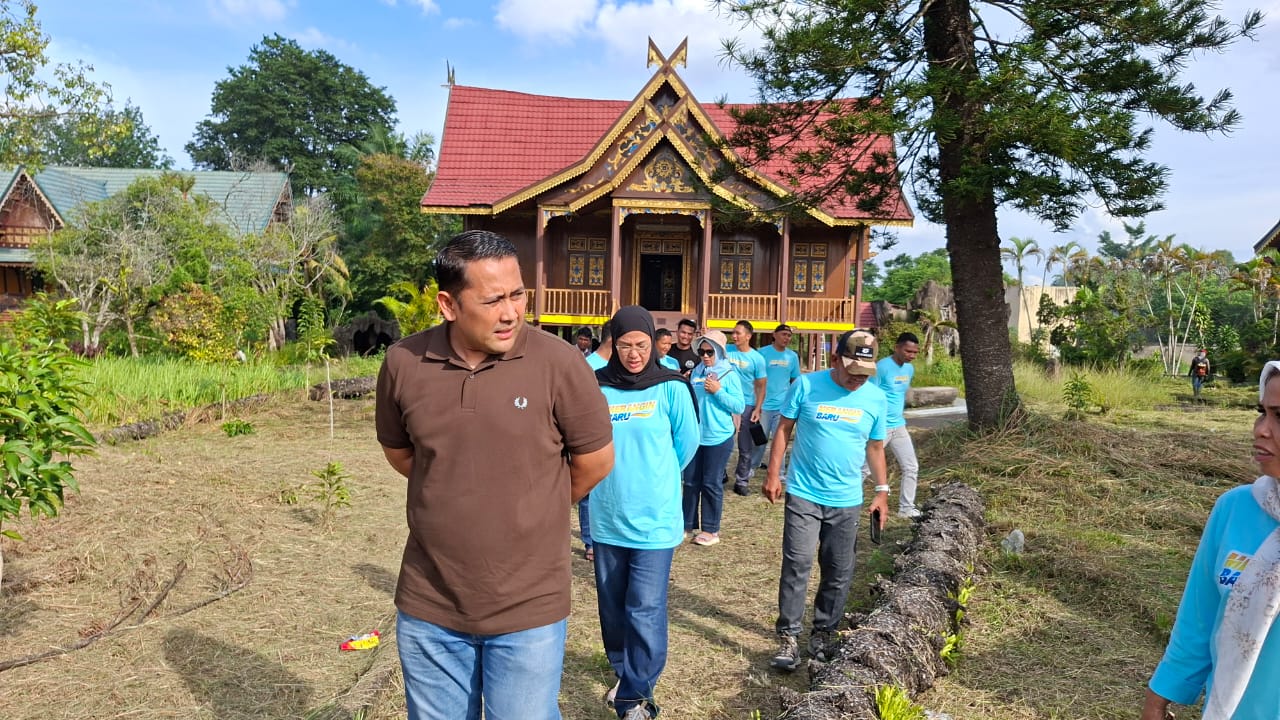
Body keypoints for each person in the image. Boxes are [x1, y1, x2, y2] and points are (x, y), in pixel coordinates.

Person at [375, 230, 615, 720]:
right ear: (448, 304)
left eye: (518, 294)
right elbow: (402, 454)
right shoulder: (404, 363)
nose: (511, 312)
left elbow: (595, 462)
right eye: (492, 300)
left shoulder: (559, 363)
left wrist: (532, 503)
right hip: (430, 603)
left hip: (527, 605)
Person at [1141, 361, 1280, 720]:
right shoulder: (1235, 510)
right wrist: (1161, 694)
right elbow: (1199, 618)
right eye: (1261, 412)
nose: (1262, 430)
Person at [590, 306, 699, 720]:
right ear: (612, 346)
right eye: (624, 345)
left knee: (645, 606)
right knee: (613, 605)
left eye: (641, 345)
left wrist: (656, 476)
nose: (633, 354)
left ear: (653, 344)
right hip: (607, 515)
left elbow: (686, 445)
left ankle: (636, 695)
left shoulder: (670, 386)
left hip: (655, 517)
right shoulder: (597, 387)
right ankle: (623, 670)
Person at [763, 329, 889, 671]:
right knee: (798, 563)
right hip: (804, 492)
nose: (857, 380)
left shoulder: (876, 399)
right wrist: (773, 474)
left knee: (837, 569)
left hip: (847, 499)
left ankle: (823, 633)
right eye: (851, 372)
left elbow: (875, 448)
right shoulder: (806, 385)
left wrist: (882, 491)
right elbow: (783, 430)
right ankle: (789, 637)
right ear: (835, 360)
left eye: (865, 374)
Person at [683, 330, 746, 546]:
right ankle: (686, 524)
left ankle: (711, 529)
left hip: (719, 436)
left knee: (711, 482)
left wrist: (718, 391)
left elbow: (738, 406)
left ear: (719, 351)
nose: (705, 356)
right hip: (696, 436)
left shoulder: (729, 374)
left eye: (710, 351)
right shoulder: (696, 372)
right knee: (690, 482)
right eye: (701, 352)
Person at [873, 332, 922, 518]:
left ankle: (906, 508)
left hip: (899, 426)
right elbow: (871, 394)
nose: (912, 355)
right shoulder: (882, 367)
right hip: (881, 427)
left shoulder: (909, 369)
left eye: (915, 352)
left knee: (911, 467)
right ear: (897, 347)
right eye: (908, 351)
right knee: (865, 468)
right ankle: (847, 503)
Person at [580, 324, 614, 561]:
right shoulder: (586, 367)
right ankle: (590, 541)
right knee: (588, 494)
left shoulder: (619, 368)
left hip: (615, 437)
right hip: (588, 438)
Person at [752, 324, 801, 473]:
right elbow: (754, 378)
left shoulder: (792, 356)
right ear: (774, 335)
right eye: (784, 334)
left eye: (789, 335)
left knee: (781, 439)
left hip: (782, 406)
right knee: (760, 440)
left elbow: (795, 380)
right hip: (763, 405)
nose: (786, 338)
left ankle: (778, 471)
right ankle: (752, 466)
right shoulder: (762, 353)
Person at [727, 320, 768, 496]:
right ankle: (719, 474)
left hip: (746, 405)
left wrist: (758, 409)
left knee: (745, 447)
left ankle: (741, 481)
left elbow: (761, 386)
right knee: (722, 442)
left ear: (748, 336)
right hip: (725, 402)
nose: (734, 336)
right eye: (733, 333)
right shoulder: (726, 350)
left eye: (738, 333)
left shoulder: (757, 359)